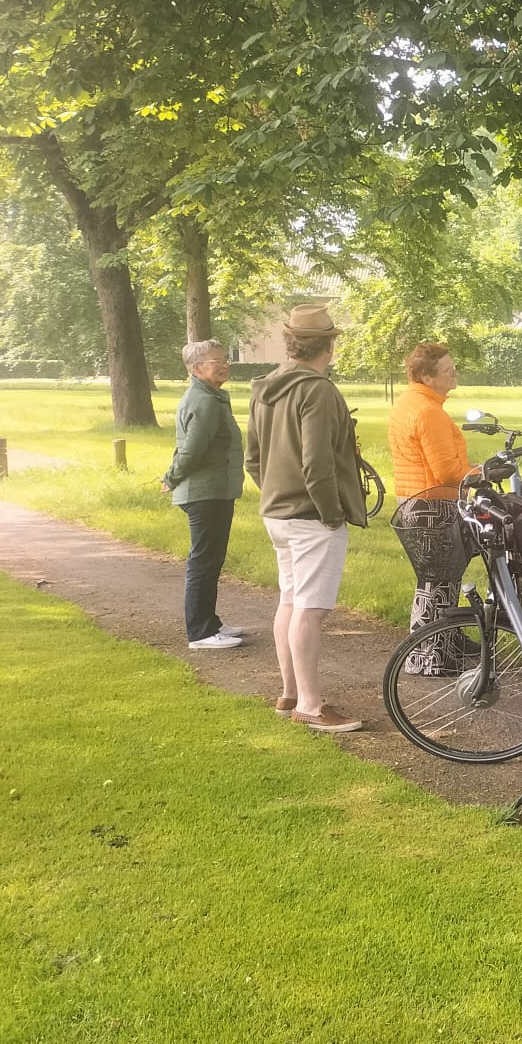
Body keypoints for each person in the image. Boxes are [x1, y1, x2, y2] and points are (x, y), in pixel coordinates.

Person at [246, 303, 369, 733]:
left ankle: (290, 693)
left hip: (277, 513)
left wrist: (276, 491)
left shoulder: (264, 387)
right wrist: (332, 514)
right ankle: (311, 705)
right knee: (311, 611)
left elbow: (252, 459)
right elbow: (317, 464)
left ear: (290, 342)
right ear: (329, 346)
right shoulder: (318, 391)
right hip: (311, 516)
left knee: (291, 601)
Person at [387, 342, 474, 672]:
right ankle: (430, 658)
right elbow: (447, 472)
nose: (454, 373)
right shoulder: (428, 412)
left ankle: (440, 646)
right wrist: (480, 473)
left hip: (414, 499)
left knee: (434, 580)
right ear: (427, 376)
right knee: (439, 581)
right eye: (447, 370)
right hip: (432, 503)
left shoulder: (409, 402)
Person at [160, 339, 247, 650]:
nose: (224, 365)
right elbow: (192, 450)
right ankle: (200, 632)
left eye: (224, 359)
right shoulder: (204, 401)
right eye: (215, 361)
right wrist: (171, 477)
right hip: (205, 492)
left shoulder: (211, 396)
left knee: (211, 559)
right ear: (196, 369)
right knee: (204, 561)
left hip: (215, 490)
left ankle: (211, 622)